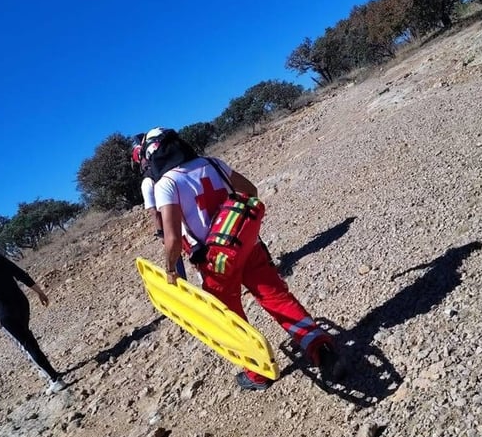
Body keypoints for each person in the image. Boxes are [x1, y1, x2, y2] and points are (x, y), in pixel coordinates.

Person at [146, 127, 343, 391]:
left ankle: (257, 373)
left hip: (215, 262)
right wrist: (230, 224)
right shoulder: (213, 163)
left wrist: (170, 268)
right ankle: (320, 348)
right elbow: (251, 191)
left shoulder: (166, 184)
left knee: (231, 317)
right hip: (246, 243)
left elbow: (171, 238)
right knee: (276, 297)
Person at [0, 240, 67, 394]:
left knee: (26, 345)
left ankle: (55, 379)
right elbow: (22, 275)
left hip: (4, 313)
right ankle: (46, 370)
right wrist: (40, 292)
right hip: (22, 304)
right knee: (28, 339)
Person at [133, 133, 186, 279]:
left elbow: (155, 213)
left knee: (179, 264)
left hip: (174, 227)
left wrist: (162, 234)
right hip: (190, 216)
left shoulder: (147, 182)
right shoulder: (174, 169)